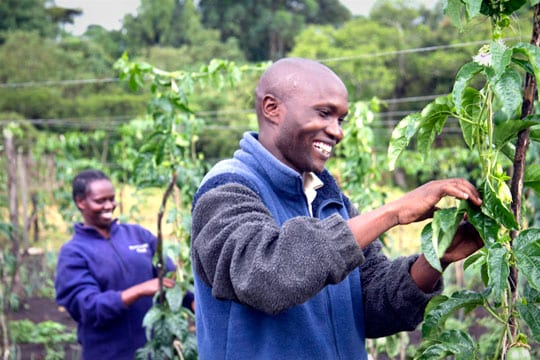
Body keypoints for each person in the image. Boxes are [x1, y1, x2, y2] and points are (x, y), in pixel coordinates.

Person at [190, 57, 484, 359]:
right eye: (324, 113)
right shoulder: (228, 188)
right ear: (271, 108)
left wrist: (437, 256)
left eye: (340, 119)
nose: (337, 132)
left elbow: (370, 303)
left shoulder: (329, 198)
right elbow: (265, 276)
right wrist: (392, 212)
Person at [55, 169, 176, 360]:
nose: (109, 206)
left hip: (154, 351)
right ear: (80, 202)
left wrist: (193, 301)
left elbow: (170, 278)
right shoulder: (73, 253)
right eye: (100, 201)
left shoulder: (138, 235)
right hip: (108, 353)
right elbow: (88, 307)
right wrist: (137, 291)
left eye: (111, 199)